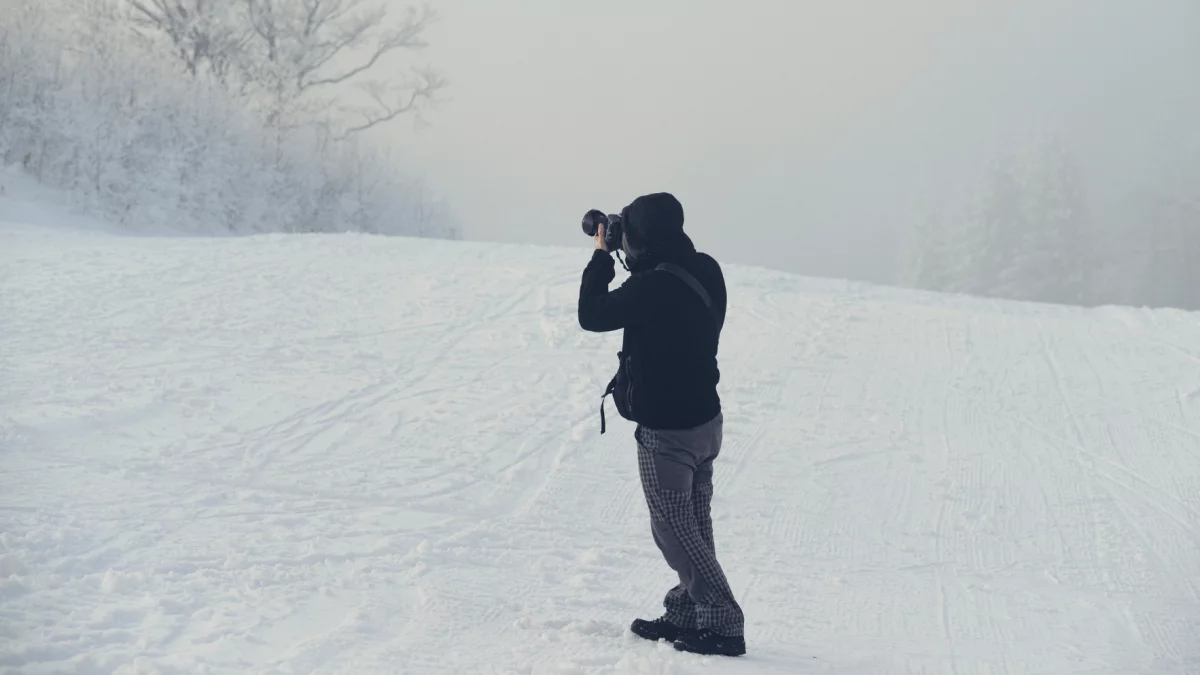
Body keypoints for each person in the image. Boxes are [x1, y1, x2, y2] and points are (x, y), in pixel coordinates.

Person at [577, 192, 746, 657]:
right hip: (706, 421)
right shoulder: (704, 268)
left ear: (642, 239)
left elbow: (590, 315)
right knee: (694, 522)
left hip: (668, 433)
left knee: (672, 528)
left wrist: (601, 256)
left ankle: (723, 622)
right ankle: (689, 609)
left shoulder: (651, 288)